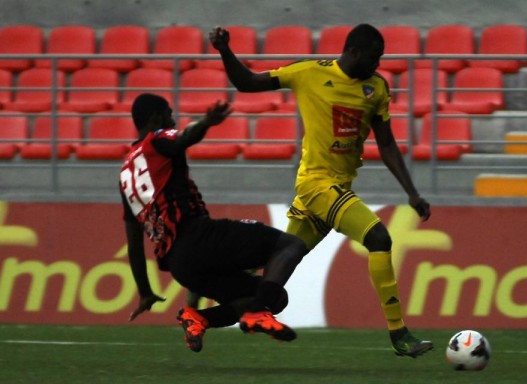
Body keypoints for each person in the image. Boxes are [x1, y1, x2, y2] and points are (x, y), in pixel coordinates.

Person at [208, 24, 433, 358]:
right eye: (374, 57)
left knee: (277, 267)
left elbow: (386, 142)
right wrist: (225, 51)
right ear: (354, 52)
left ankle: (202, 310)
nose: (378, 64)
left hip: (336, 188)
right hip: (316, 183)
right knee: (379, 239)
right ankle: (399, 334)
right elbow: (247, 82)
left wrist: (412, 193)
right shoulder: (309, 72)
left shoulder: (376, 87)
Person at [120, 93, 308, 353]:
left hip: (179, 264)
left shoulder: (125, 174)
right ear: (156, 117)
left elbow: (134, 244)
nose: (172, 120)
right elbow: (184, 138)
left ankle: (200, 318)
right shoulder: (158, 139)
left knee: (272, 297)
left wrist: (145, 291)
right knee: (290, 246)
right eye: (169, 114)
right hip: (198, 237)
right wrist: (207, 122)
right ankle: (255, 314)